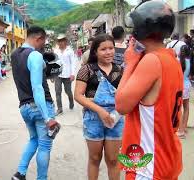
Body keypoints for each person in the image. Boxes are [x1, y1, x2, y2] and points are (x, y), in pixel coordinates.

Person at [116, 1, 183, 179]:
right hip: (167, 156)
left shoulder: (151, 61)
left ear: (141, 29)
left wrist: (129, 63)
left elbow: (121, 105)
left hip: (148, 165)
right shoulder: (171, 58)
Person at [10, 26, 60, 180]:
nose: (43, 47)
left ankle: (20, 173)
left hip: (24, 107)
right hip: (40, 107)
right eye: (43, 43)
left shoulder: (14, 55)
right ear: (38, 39)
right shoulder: (35, 55)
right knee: (44, 146)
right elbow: (37, 87)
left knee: (34, 140)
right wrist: (47, 118)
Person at [74, 34, 124, 180]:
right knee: (95, 159)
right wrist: (101, 111)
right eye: (103, 49)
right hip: (93, 118)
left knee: (113, 160)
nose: (108, 52)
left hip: (116, 119)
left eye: (111, 48)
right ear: (95, 51)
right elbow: (78, 95)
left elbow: (124, 95)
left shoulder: (120, 70)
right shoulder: (87, 70)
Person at [53, 34, 76, 115]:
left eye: (62, 41)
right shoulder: (55, 51)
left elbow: (73, 63)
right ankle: (60, 109)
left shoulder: (70, 51)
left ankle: (71, 101)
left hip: (67, 75)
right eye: (59, 41)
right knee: (57, 91)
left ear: (65, 41)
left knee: (68, 91)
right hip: (58, 75)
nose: (61, 42)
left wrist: (72, 74)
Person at [176, 45, 192, 138]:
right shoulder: (189, 61)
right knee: (186, 107)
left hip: (179, 85)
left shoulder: (177, 61)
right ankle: (184, 128)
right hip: (187, 85)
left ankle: (180, 130)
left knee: (179, 108)